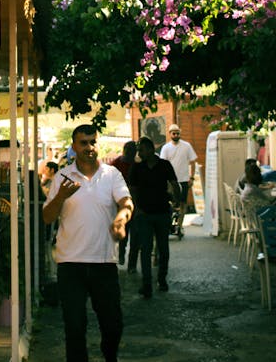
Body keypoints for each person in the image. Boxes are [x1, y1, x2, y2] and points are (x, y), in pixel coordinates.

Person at [43, 124, 133, 362]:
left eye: (92, 142)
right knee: (74, 327)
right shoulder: (62, 177)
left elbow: (126, 203)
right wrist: (61, 196)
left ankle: (109, 356)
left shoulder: (111, 175)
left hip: (103, 261)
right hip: (70, 263)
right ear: (74, 146)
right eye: (83, 143)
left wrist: (121, 220)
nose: (89, 147)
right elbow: (47, 217)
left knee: (112, 325)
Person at [129, 137, 180, 298]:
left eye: (142, 149)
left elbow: (174, 182)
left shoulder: (164, 165)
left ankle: (162, 279)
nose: (139, 153)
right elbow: (132, 190)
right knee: (145, 249)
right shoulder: (137, 168)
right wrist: (136, 209)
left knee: (163, 248)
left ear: (151, 149)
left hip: (162, 212)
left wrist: (177, 201)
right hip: (144, 214)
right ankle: (147, 284)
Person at [159, 123, 197, 235]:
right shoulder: (166, 148)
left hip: (184, 179)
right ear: (170, 134)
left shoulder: (186, 146)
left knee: (183, 203)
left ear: (180, 133)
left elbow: (192, 161)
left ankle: (179, 226)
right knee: (170, 203)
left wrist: (192, 177)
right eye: (173, 133)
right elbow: (162, 165)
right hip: (170, 181)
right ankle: (169, 224)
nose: (176, 135)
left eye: (177, 133)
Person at [113, 141, 137, 267]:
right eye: (127, 149)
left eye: (131, 149)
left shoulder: (138, 164)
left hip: (136, 203)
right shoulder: (116, 163)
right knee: (124, 231)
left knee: (135, 236)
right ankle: (121, 254)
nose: (128, 152)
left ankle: (131, 264)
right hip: (121, 203)